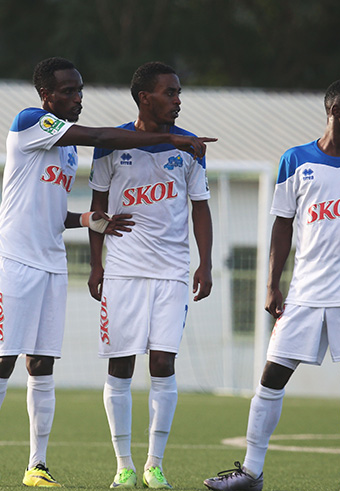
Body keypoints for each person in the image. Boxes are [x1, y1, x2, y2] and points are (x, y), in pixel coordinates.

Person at [0, 56, 212, 488]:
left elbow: (52, 211)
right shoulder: (31, 121)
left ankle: (36, 465)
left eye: (80, 90)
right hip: (11, 257)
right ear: (46, 96)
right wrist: (170, 138)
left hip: (51, 260)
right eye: (68, 91)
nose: (77, 97)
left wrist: (88, 220)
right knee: (4, 359)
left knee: (42, 363)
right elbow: (102, 134)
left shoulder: (65, 150)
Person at [203, 79, 340, 491]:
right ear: (336, 112)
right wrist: (273, 284)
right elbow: (282, 224)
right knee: (272, 377)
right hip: (306, 291)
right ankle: (251, 473)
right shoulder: (295, 160)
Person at [87, 61, 214, 489]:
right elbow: (97, 209)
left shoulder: (189, 148)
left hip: (172, 273)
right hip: (122, 272)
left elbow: (200, 206)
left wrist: (206, 263)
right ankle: (123, 464)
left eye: (179, 93)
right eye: (170, 92)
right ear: (146, 97)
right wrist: (96, 263)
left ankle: (154, 463)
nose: (178, 100)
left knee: (162, 363)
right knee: (121, 365)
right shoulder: (109, 146)